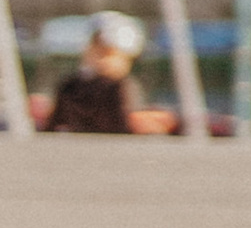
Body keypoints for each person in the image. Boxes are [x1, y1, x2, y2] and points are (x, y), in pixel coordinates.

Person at [39, 10, 175, 135]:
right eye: (97, 51)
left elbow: (125, 127)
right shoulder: (70, 86)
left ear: (127, 58)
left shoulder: (122, 88)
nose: (101, 60)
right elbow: (53, 126)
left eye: (109, 54)